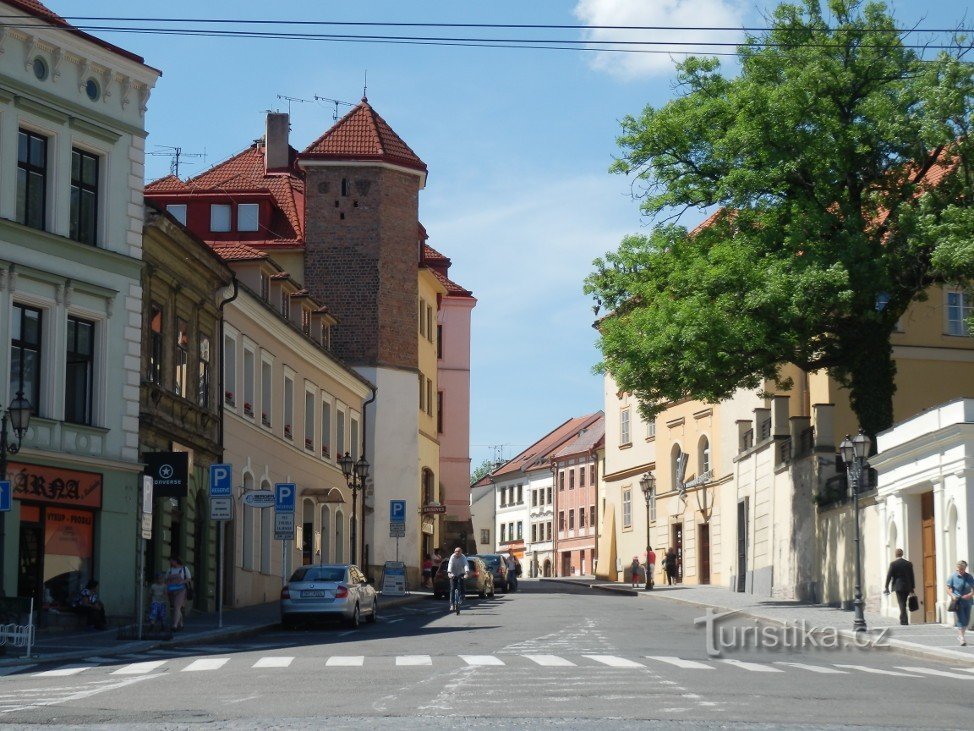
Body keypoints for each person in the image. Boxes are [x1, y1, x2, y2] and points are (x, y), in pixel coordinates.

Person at [883, 548, 916, 625]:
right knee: (903, 602)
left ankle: (904, 620)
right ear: (902, 554)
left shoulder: (893, 564)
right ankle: (903, 619)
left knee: (901, 603)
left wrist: (886, 586)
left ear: (895, 554)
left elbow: (889, 576)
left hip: (898, 586)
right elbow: (912, 576)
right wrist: (912, 587)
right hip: (907, 586)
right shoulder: (908, 564)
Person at [946, 560, 974, 646]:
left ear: (965, 568)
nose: (960, 571)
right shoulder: (953, 576)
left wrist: (970, 594)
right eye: (959, 569)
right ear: (957, 568)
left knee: (967, 619)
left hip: (968, 601)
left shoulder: (969, 577)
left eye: (962, 569)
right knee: (961, 619)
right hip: (958, 601)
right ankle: (961, 638)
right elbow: (948, 588)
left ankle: (961, 635)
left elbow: (973, 589)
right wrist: (952, 595)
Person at [167, 557, 192, 631]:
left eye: (171, 561)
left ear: (176, 561)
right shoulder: (170, 570)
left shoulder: (184, 569)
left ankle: (174, 625)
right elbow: (166, 579)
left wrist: (182, 582)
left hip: (181, 590)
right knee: (176, 607)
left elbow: (189, 578)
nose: (170, 563)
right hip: (172, 590)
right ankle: (181, 624)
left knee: (177, 606)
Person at [446, 547, 469, 611]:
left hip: (461, 573)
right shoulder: (452, 557)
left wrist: (466, 573)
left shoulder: (463, 557)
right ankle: (452, 604)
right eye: (455, 551)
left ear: (461, 552)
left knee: (462, 583)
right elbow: (450, 564)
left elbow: (465, 564)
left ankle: (463, 595)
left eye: (458, 551)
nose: (457, 553)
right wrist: (449, 573)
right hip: (453, 573)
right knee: (452, 588)